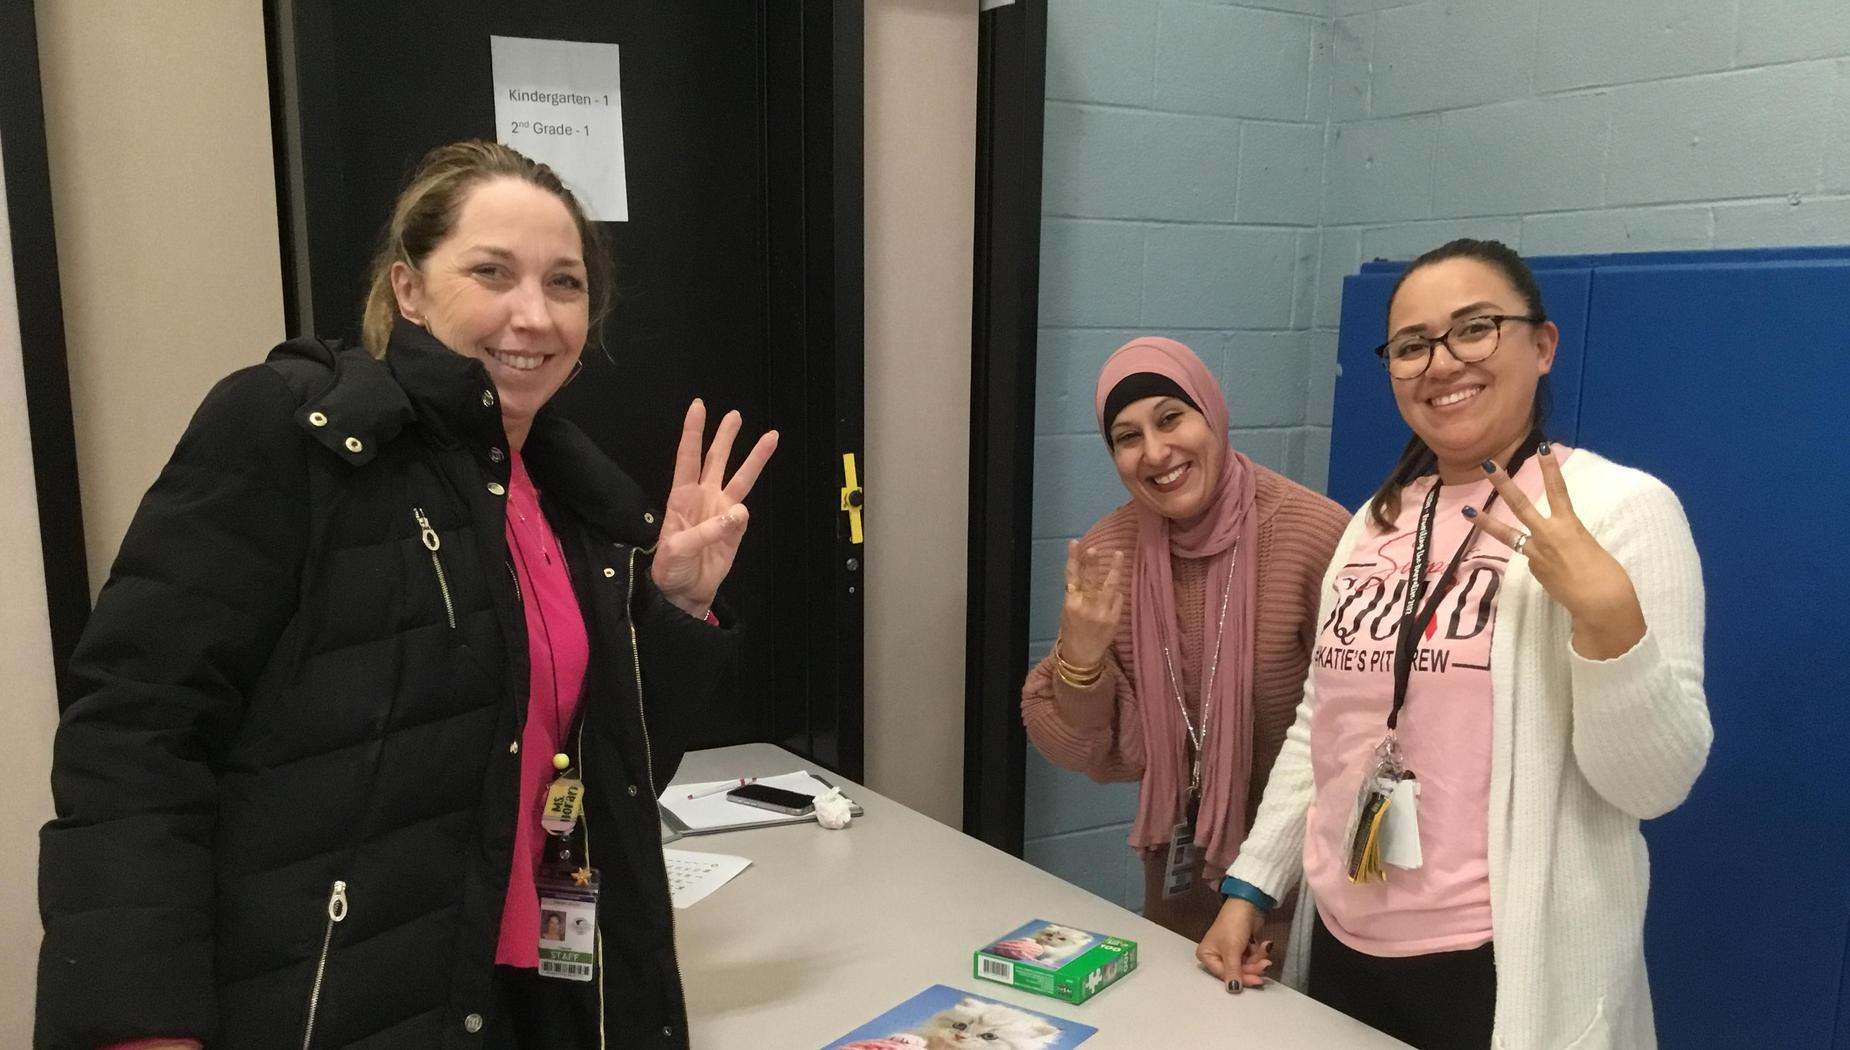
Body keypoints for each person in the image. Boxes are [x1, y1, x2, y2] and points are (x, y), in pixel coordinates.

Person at [35, 140, 776, 1050]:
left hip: (534, 993)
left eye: (566, 284)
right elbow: (135, 735)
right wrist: (138, 1025)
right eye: (491, 272)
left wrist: (673, 608)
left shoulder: (580, 510)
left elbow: (590, 778)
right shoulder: (294, 432)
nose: (532, 315)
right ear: (408, 289)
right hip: (331, 1007)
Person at [1197, 240, 1711, 1049]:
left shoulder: (1623, 510)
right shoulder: (1381, 516)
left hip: (1500, 962)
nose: (1441, 363)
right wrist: (1254, 885)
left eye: (1475, 329)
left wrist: (1609, 621)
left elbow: (1656, 786)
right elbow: (1322, 724)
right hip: (1342, 939)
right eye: (1411, 346)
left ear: (1541, 347)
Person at [1020, 337, 1348, 963]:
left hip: (1307, 886)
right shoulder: (1110, 552)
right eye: (1127, 436)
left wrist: (1260, 885)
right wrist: (1081, 662)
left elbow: (1350, 731)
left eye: (1171, 418)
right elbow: (1082, 749)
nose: (1156, 452)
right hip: (1179, 886)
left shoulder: (1315, 534)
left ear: (1211, 413)